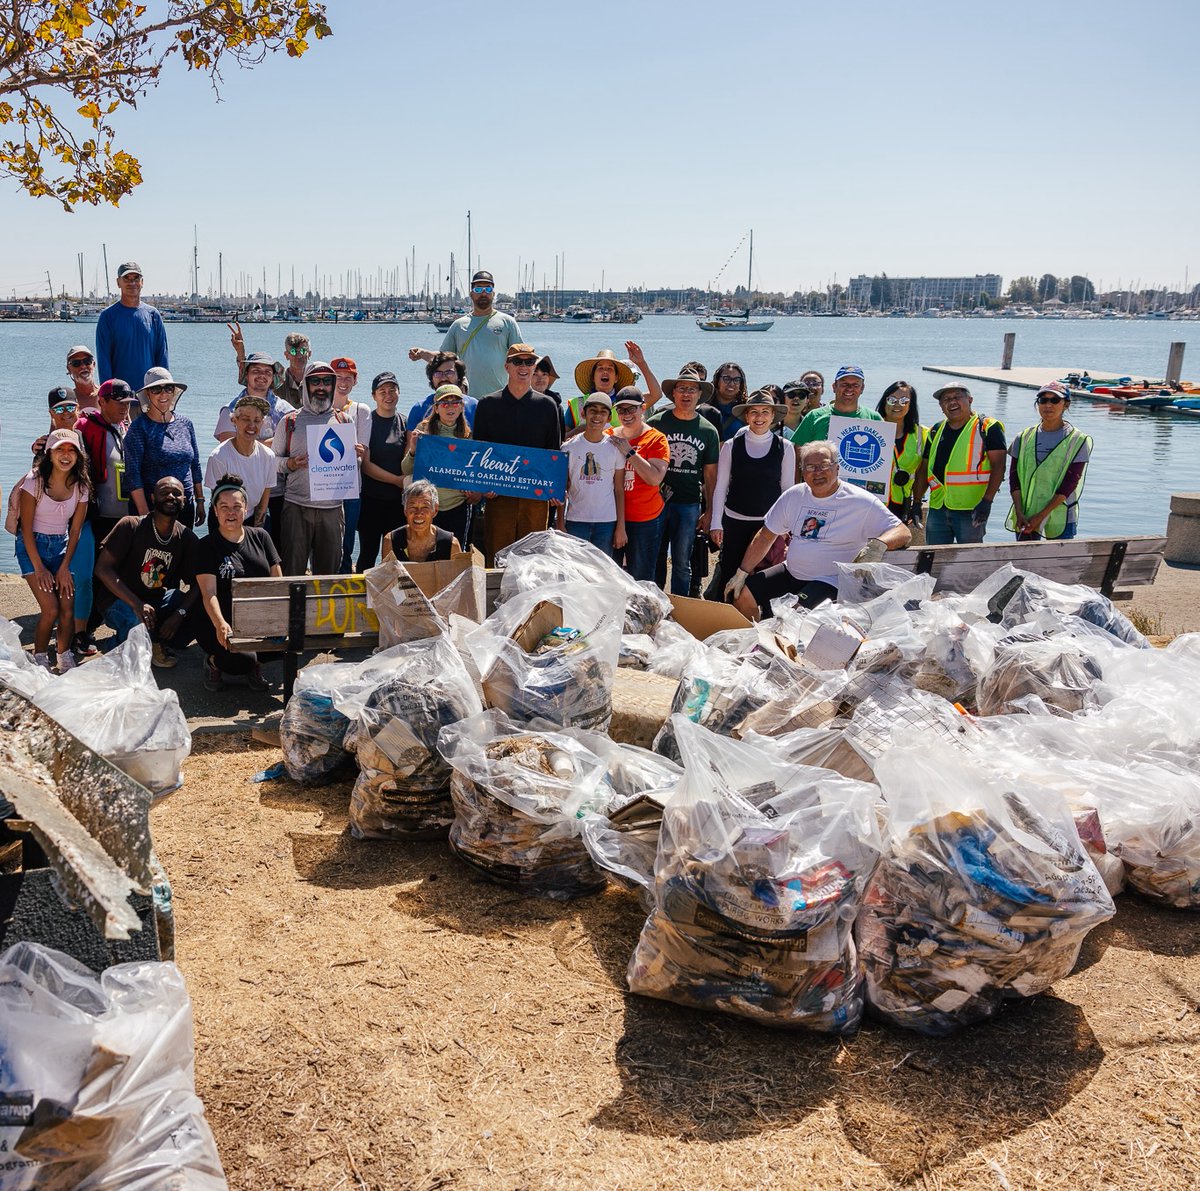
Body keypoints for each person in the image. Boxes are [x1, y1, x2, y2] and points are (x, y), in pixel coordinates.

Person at [725, 441, 911, 621]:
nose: (817, 472)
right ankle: (755, 638)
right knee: (742, 595)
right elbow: (766, 536)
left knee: (792, 617)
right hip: (792, 572)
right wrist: (742, 572)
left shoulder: (861, 501)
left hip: (831, 580)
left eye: (824, 466)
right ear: (802, 471)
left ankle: (782, 640)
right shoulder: (794, 495)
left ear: (837, 468)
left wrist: (878, 545)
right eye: (810, 467)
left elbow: (902, 532)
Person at [93, 477, 200, 667]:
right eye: (164, 492)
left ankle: (152, 640)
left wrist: (179, 614)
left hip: (155, 600)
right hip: (118, 600)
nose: (171, 496)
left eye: (176, 493)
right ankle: (120, 646)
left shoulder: (185, 537)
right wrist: (136, 603)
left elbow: (199, 583)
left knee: (192, 606)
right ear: (153, 498)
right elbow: (102, 569)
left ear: (184, 499)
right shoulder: (131, 525)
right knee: (138, 624)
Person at [471, 344, 563, 565]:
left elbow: (553, 452)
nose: (524, 367)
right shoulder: (487, 404)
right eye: (517, 362)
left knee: (534, 562)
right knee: (497, 559)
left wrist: (554, 488)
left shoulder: (548, 406)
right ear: (507, 367)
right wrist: (484, 486)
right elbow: (480, 452)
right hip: (498, 497)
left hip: (535, 499)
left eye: (529, 362)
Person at [192, 476, 281, 692]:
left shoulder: (261, 537)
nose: (230, 512)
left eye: (236, 507)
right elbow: (209, 593)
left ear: (246, 509)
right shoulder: (206, 546)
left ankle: (255, 663)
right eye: (224, 507)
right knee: (242, 660)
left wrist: (277, 621)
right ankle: (213, 662)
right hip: (217, 621)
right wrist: (220, 624)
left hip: (255, 619)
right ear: (215, 511)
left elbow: (278, 583)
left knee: (285, 643)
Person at [273, 361, 363, 576]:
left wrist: (357, 458)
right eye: (315, 381)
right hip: (296, 507)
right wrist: (290, 464)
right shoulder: (289, 421)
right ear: (305, 385)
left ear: (332, 385)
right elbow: (273, 462)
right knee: (292, 573)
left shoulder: (344, 420)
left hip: (332, 510)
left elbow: (351, 467)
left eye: (326, 381)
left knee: (328, 575)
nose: (321, 387)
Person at [708, 390, 795, 601]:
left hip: (769, 526)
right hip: (734, 521)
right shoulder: (731, 446)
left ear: (773, 416)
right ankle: (725, 616)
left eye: (765, 412)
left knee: (764, 579)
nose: (759, 417)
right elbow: (721, 486)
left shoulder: (785, 447)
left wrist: (786, 526)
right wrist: (716, 523)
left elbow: (787, 490)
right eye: (754, 412)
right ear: (746, 416)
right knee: (730, 573)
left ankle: (762, 617)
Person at [16, 429, 91, 672]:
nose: (66, 455)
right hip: (32, 546)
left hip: (61, 547)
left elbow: (76, 530)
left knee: (68, 609)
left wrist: (65, 567)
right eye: (60, 449)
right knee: (51, 609)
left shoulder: (82, 486)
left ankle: (63, 655)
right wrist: (39, 569)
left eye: (71, 450)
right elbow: (26, 529)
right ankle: (39, 656)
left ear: (78, 456)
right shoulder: (34, 481)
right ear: (49, 453)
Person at [76, 377, 140, 657]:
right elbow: (63, 444)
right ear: (101, 401)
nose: (125, 407)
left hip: (126, 517)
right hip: (99, 517)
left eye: (128, 403)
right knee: (95, 575)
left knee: (120, 574)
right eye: (119, 402)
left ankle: (118, 625)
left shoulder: (125, 427)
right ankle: (84, 630)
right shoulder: (86, 427)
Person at [34, 388, 96, 655]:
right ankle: (58, 639)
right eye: (59, 409)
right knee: (56, 585)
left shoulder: (86, 439)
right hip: (51, 529)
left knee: (82, 579)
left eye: (70, 407)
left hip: (83, 522)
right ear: (51, 413)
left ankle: (79, 634)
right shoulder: (44, 446)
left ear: (78, 409)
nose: (66, 413)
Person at [649, 366, 720, 596]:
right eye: (681, 389)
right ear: (673, 393)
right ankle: (655, 601)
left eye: (692, 389)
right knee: (656, 555)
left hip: (689, 504)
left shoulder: (708, 430)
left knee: (682, 561)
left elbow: (711, 475)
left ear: (699, 394)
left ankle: (679, 605)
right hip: (657, 502)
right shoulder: (657, 422)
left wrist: (709, 512)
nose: (686, 394)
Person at [213, 349, 290, 551]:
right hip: (235, 497)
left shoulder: (286, 410)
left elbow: (291, 444)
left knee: (273, 550)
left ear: (273, 378)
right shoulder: (229, 408)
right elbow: (229, 444)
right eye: (256, 370)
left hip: (278, 492)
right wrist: (273, 443)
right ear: (246, 375)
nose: (262, 376)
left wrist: (250, 442)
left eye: (267, 372)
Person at [910, 384, 1007, 545]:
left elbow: (999, 466)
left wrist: (987, 501)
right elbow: (924, 469)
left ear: (970, 400)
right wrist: (917, 502)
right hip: (938, 507)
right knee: (934, 555)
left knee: (969, 556)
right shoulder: (936, 430)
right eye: (946, 399)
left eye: (957, 397)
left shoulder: (987, 427)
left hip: (972, 508)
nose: (952, 402)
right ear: (941, 407)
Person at [409, 270, 523, 400]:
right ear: (471, 294)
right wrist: (423, 353)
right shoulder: (458, 325)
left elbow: (522, 358)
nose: (483, 293)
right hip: (466, 400)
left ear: (493, 293)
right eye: (478, 289)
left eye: (488, 288)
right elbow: (443, 358)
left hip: (500, 399)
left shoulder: (508, 323)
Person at [1006, 382, 1091, 540]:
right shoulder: (1023, 437)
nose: (1048, 405)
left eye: (1055, 400)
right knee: (1024, 556)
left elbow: (1070, 484)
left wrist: (1041, 516)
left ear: (1066, 404)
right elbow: (1014, 478)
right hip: (1026, 514)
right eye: (1043, 400)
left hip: (1060, 515)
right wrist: (1019, 511)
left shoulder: (1078, 440)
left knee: (1059, 556)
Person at [399, 383, 475, 554]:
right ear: (436, 408)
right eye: (445, 403)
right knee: (426, 554)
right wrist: (413, 450)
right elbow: (406, 470)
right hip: (428, 508)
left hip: (457, 505)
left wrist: (471, 484)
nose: (450, 407)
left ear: (462, 407)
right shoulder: (423, 430)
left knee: (455, 554)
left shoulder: (468, 436)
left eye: (455, 402)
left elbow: (473, 473)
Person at [124, 367, 204, 527]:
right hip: (154, 509)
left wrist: (200, 500)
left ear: (173, 392)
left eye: (168, 388)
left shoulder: (186, 424)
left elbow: (195, 464)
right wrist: (144, 515)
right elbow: (133, 474)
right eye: (156, 389)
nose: (163, 394)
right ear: (148, 394)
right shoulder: (139, 428)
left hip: (184, 506)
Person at [605, 387, 669, 582]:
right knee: (611, 575)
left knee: (641, 576)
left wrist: (629, 452)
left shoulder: (656, 439)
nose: (626, 414)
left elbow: (655, 478)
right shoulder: (608, 436)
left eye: (632, 409)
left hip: (644, 518)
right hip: (612, 516)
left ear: (643, 408)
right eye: (621, 410)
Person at [357, 371, 411, 569]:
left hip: (397, 503)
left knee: (395, 556)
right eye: (382, 391)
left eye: (392, 390)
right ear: (374, 396)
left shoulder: (405, 423)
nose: (388, 395)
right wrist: (397, 481)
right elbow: (366, 465)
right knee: (368, 554)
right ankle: (362, 589)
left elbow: (409, 459)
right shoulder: (367, 423)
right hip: (371, 500)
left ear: (399, 392)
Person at [562, 394, 626, 557]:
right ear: (583, 413)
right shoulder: (568, 448)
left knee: (601, 568)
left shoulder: (615, 448)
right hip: (576, 520)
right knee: (575, 567)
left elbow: (619, 489)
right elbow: (563, 487)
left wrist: (621, 526)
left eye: (603, 412)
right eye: (593, 411)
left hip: (607, 522)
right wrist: (560, 523)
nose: (597, 416)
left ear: (609, 418)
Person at [205, 395, 276, 530]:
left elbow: (263, 503)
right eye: (246, 419)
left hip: (253, 517)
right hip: (224, 518)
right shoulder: (218, 457)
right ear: (234, 421)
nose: (252, 425)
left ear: (262, 423)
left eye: (257, 420)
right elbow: (219, 503)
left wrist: (256, 533)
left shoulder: (268, 456)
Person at [95, 262, 169, 389]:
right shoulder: (107, 316)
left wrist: (164, 388)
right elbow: (104, 360)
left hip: (150, 393)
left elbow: (162, 355)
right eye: (127, 278)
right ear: (118, 282)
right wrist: (108, 394)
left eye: (136, 278)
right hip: (121, 395)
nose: (132, 283)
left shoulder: (153, 315)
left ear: (142, 282)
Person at [331, 356, 373, 572]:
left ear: (355, 381)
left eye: (348, 377)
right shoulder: (317, 408)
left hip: (350, 489)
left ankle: (345, 584)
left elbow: (361, 454)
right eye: (338, 377)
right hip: (322, 488)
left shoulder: (361, 410)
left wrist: (357, 453)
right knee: (322, 545)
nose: (343, 382)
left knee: (346, 546)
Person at [792, 365, 883, 448]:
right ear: (834, 387)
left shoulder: (874, 418)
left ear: (862, 388)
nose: (849, 388)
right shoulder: (814, 416)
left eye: (855, 385)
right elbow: (798, 455)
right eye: (844, 384)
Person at [875, 381, 927, 521]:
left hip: (901, 505)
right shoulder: (870, 429)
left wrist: (917, 502)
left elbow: (922, 472)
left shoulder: (922, 434)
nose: (897, 405)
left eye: (904, 400)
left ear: (911, 405)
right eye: (892, 400)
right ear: (884, 401)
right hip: (871, 502)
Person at [229, 323, 309, 408]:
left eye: (303, 351)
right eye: (293, 351)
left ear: (309, 353)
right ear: (286, 355)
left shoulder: (315, 379)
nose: (299, 355)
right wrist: (240, 352)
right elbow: (252, 382)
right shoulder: (277, 380)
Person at [381, 479, 461, 563]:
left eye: (425, 507)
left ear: (435, 510)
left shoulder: (451, 545)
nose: (418, 513)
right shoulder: (391, 542)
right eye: (413, 507)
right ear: (405, 510)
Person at [563, 349, 636, 435]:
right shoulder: (576, 404)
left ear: (616, 378)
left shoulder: (626, 404)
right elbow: (561, 438)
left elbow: (653, 395)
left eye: (610, 368)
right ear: (593, 377)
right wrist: (581, 429)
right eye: (600, 368)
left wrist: (641, 363)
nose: (605, 371)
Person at [404, 353, 477, 433]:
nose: (443, 378)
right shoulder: (419, 408)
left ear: (459, 376)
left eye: (449, 373)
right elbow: (411, 440)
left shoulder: (474, 406)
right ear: (432, 378)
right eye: (438, 374)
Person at [710, 362, 750, 440]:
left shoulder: (745, 410)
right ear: (717, 381)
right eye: (727, 379)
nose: (731, 384)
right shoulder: (704, 408)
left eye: (736, 380)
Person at [64, 345, 101, 409]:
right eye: (76, 363)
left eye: (87, 361)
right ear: (69, 369)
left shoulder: (107, 395)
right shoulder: (68, 401)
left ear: (94, 364)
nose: (83, 366)